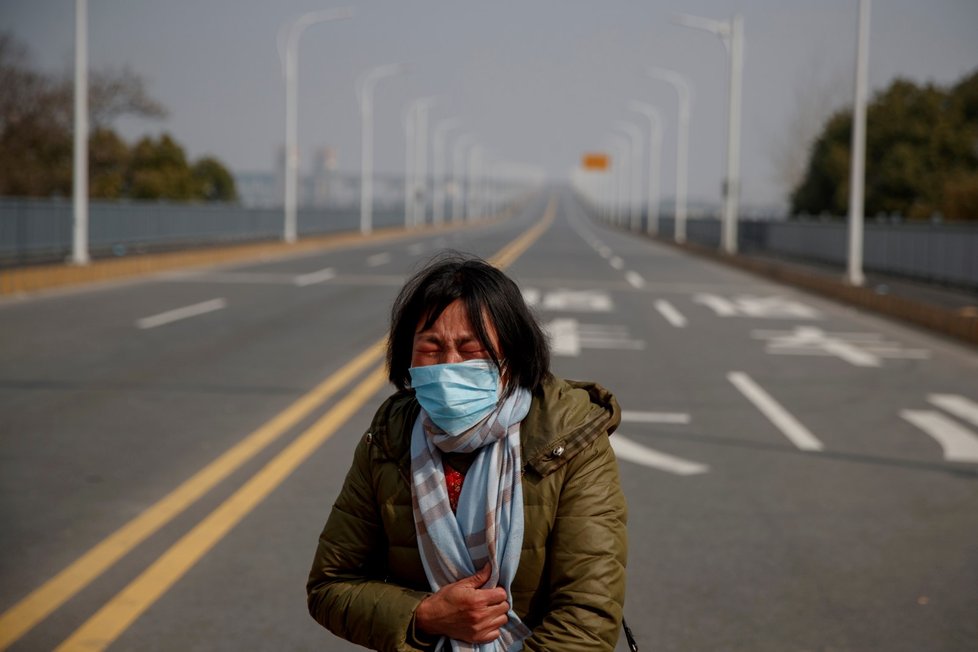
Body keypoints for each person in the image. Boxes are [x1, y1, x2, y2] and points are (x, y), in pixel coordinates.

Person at [307, 254, 627, 651]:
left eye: (469, 349)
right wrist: (423, 615)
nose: (448, 364)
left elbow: (588, 615)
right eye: (432, 347)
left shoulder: (572, 437)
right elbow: (331, 585)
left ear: (512, 355)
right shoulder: (390, 437)